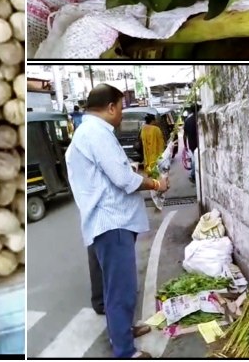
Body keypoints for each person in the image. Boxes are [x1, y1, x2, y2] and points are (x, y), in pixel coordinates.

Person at [66, 84, 170, 359]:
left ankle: (122, 331)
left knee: (116, 287)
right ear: (111, 107)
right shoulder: (96, 133)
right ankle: (124, 352)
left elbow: (112, 173)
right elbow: (124, 180)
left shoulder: (86, 133)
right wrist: (157, 183)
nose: (122, 114)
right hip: (112, 222)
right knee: (121, 290)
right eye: (121, 108)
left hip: (108, 221)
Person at [184, 104, 199, 182]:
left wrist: (185, 145)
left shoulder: (187, 120)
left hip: (191, 144)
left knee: (194, 159)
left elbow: (184, 135)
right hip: (199, 143)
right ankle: (193, 175)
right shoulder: (200, 119)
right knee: (195, 160)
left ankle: (193, 175)